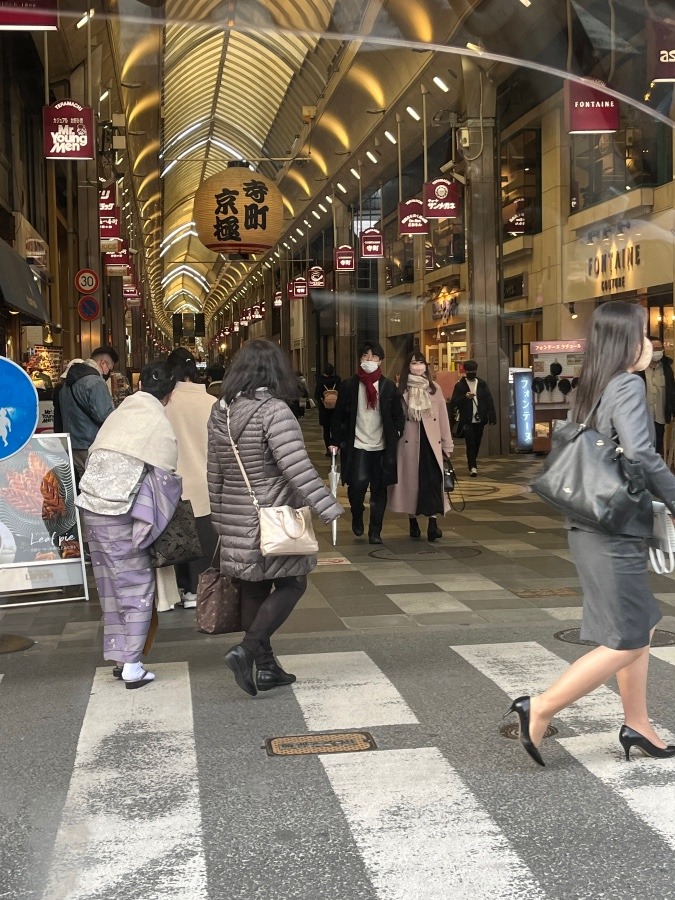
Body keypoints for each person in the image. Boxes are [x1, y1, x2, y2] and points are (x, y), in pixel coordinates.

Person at [506, 302, 675, 767]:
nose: (652, 344)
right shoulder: (626, 384)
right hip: (612, 528)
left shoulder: (593, 385)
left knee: (639, 624)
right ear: (628, 340)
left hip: (591, 524)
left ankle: (638, 724)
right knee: (628, 638)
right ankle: (539, 708)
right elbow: (642, 454)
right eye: (646, 334)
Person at [208, 339, 343, 697]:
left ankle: (266, 668)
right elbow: (296, 468)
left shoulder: (220, 411)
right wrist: (327, 505)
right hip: (273, 512)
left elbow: (214, 472)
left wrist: (220, 519)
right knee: (293, 583)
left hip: (236, 512)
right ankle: (248, 650)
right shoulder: (275, 411)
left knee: (254, 585)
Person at [76, 361, 180, 689]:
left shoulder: (119, 413)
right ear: (169, 393)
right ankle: (132, 665)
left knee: (110, 587)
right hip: (121, 511)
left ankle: (123, 657)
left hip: (91, 506)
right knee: (136, 586)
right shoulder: (156, 421)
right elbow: (166, 476)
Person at [329, 341, 405, 545]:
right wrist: (334, 440)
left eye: (373, 356)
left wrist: (396, 433)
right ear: (360, 359)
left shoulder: (388, 386)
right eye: (365, 356)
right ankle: (357, 514)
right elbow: (338, 416)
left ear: (380, 360)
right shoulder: (349, 385)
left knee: (379, 490)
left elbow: (399, 415)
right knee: (357, 487)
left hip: (381, 446)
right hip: (358, 445)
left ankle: (375, 531)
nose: (369, 360)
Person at [165, 347, 217, 609]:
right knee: (206, 537)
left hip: (174, 483)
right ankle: (203, 589)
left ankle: (184, 588)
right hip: (206, 481)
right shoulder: (211, 403)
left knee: (180, 539)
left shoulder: (165, 403)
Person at [388, 352, 454, 542]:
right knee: (411, 483)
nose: (418, 366)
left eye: (421, 363)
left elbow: (443, 417)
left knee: (432, 481)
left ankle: (433, 523)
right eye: (414, 363)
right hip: (408, 444)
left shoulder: (434, 389)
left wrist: (447, 443)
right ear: (407, 366)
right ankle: (413, 522)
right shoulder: (400, 389)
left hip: (432, 443)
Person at [60, 346, 118, 480]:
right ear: (103, 363)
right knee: (96, 484)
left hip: (72, 443)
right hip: (89, 443)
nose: (108, 372)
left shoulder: (68, 381)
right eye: (110, 368)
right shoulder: (95, 382)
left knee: (84, 481)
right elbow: (104, 415)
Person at [448, 360, 496, 477]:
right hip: (467, 420)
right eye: (469, 371)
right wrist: (465, 397)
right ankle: (472, 467)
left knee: (477, 442)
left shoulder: (482, 384)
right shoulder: (460, 385)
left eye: (473, 371)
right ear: (465, 371)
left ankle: (473, 462)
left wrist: (492, 416)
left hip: (480, 418)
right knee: (470, 443)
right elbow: (454, 402)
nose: (471, 373)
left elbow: (489, 400)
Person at [639, 335, 674, 457]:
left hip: (659, 416)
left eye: (660, 348)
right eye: (654, 348)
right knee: (642, 449)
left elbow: (671, 392)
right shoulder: (639, 370)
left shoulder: (667, 369)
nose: (657, 351)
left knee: (657, 448)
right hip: (641, 418)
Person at [314, 363, 341, 456]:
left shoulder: (320, 381)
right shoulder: (337, 380)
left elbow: (316, 395)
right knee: (335, 430)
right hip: (336, 410)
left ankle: (328, 449)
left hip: (324, 410)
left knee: (326, 430)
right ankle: (335, 448)